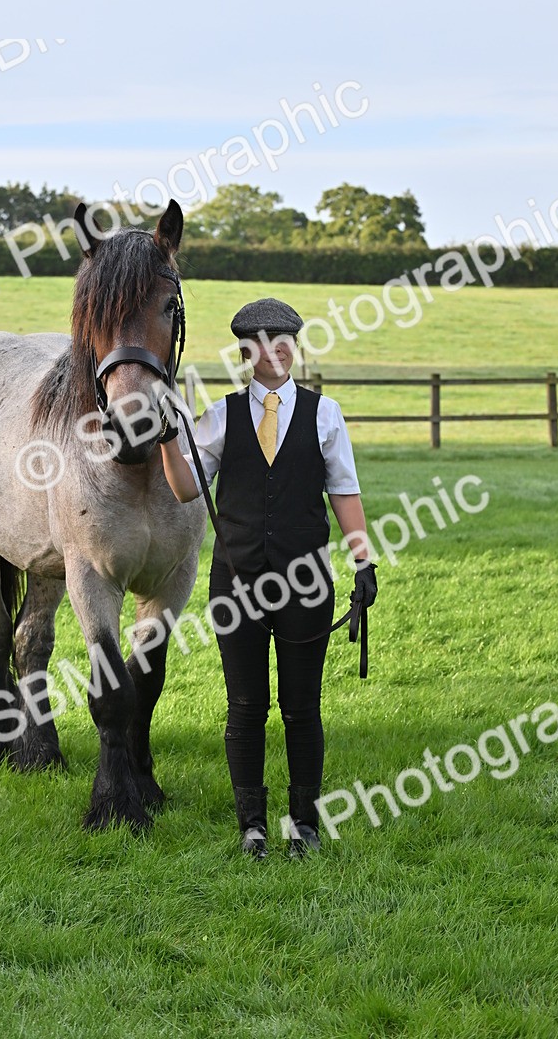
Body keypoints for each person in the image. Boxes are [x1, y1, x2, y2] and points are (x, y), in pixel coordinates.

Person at [160, 297, 378, 860]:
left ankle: (304, 824)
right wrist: (166, 438)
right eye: (261, 347)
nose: (273, 356)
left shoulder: (324, 414)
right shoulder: (221, 416)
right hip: (236, 584)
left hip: (307, 581)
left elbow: (344, 492)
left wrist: (363, 561)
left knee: (302, 706)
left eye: (283, 346)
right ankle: (252, 826)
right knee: (245, 705)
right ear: (246, 355)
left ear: (294, 350)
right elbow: (186, 488)